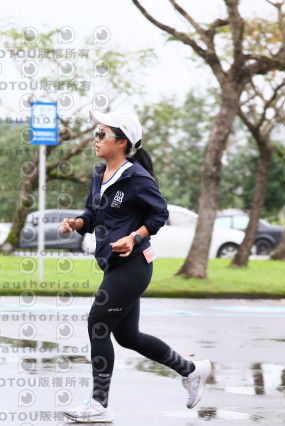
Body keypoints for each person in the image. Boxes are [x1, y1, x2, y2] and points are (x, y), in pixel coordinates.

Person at [59, 110, 211, 423]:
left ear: (122, 142)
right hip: (113, 265)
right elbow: (93, 216)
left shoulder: (137, 178)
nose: (96, 139)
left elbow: (160, 214)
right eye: (96, 133)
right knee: (128, 337)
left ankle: (99, 405)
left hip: (134, 265)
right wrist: (76, 223)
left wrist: (134, 237)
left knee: (97, 324)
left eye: (103, 134)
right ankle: (191, 370)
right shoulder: (99, 173)